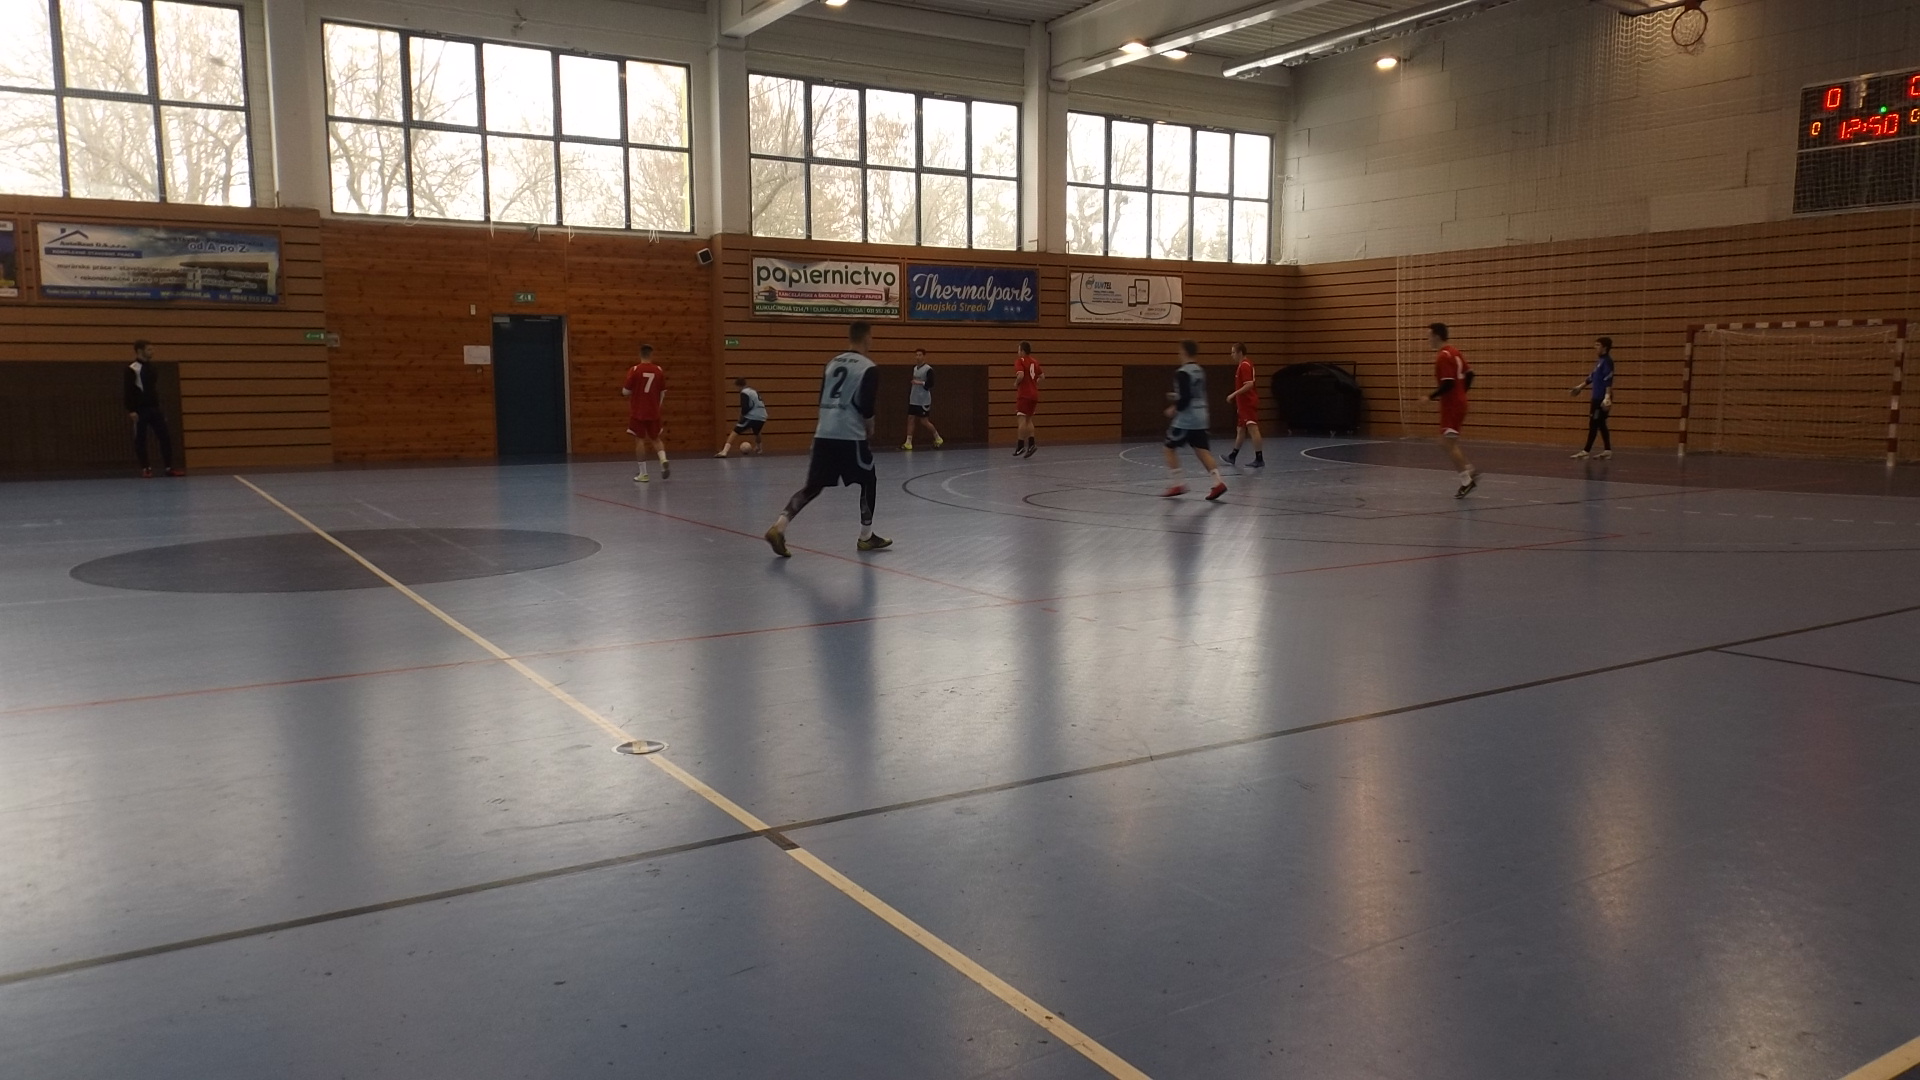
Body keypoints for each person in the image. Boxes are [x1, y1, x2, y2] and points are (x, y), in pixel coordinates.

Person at [765, 322, 891, 557]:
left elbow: (821, 397)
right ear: (867, 338)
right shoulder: (868, 368)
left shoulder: (831, 364)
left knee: (813, 486)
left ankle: (780, 526)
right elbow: (866, 405)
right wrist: (870, 426)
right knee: (868, 479)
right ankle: (866, 536)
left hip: (824, 433)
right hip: (849, 434)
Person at [1162, 340, 1228, 501]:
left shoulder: (1182, 372)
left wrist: (1174, 407)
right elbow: (1193, 392)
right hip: (1201, 416)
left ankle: (1178, 483)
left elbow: (1185, 398)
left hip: (1187, 419)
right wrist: (1177, 396)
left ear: (1184, 352)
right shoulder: (1200, 371)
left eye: (1180, 350)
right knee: (1202, 450)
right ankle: (1218, 483)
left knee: (1168, 447)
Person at [1427, 322, 1480, 498]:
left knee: (1446, 443)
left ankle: (1466, 480)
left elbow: (1448, 384)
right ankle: (1469, 470)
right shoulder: (1455, 352)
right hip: (1459, 402)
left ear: (1436, 336)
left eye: (1429, 336)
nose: (1428, 340)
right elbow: (1470, 374)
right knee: (1447, 442)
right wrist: (1462, 393)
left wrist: (1429, 397)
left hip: (1451, 405)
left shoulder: (1443, 356)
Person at [124, 340, 182, 477]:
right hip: (140, 410)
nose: (152, 352)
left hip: (154, 408)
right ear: (140, 351)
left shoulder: (152, 368)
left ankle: (169, 467)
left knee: (165, 437)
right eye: (149, 349)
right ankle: (146, 468)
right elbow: (128, 390)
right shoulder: (132, 369)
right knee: (140, 439)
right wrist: (131, 410)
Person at [621, 344, 670, 482]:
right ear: (651, 355)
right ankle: (663, 459)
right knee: (656, 438)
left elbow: (625, 391)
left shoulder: (635, 370)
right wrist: (657, 407)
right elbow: (662, 392)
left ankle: (643, 473)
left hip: (638, 411)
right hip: (654, 410)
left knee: (639, 440)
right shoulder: (658, 370)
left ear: (640, 354)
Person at [1569, 337, 1615, 459]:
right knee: (1601, 423)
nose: (1595, 347)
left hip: (1601, 398)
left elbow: (1608, 379)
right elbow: (1592, 377)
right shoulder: (1600, 362)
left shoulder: (1607, 361)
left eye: (1598, 345)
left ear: (1605, 347)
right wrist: (1580, 387)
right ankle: (1607, 450)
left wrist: (1607, 397)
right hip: (1596, 397)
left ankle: (1586, 451)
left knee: (1593, 423)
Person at [1223, 343, 1264, 468]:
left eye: (1233, 352)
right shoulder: (1242, 365)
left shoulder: (1245, 365)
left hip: (1247, 402)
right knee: (1240, 429)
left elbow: (1249, 384)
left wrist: (1234, 394)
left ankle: (1259, 458)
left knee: (1253, 428)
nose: (1232, 355)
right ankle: (1233, 456)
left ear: (1240, 352)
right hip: (1242, 404)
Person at [901, 349, 943, 450]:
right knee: (910, 418)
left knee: (924, 421)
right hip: (913, 398)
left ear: (924, 356)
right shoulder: (915, 368)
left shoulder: (928, 369)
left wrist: (919, 383)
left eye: (920, 355)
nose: (918, 357)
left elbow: (931, 384)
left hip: (923, 399)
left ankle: (937, 437)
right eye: (916, 355)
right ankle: (908, 442)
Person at [716, 377, 768, 458]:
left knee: (735, 431)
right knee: (757, 431)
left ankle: (724, 451)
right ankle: (759, 448)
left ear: (738, 386)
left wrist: (741, 416)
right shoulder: (753, 391)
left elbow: (745, 407)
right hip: (762, 415)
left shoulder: (744, 392)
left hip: (752, 415)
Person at [1012, 341, 1043, 458]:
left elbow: (1020, 375)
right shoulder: (1035, 361)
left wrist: (1016, 383)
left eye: (1019, 349)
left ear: (1023, 351)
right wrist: (1034, 383)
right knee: (1029, 419)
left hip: (1024, 394)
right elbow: (1042, 376)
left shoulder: (1020, 361)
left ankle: (1020, 446)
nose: (1018, 352)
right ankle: (1031, 444)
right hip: (1034, 394)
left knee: (1021, 419)